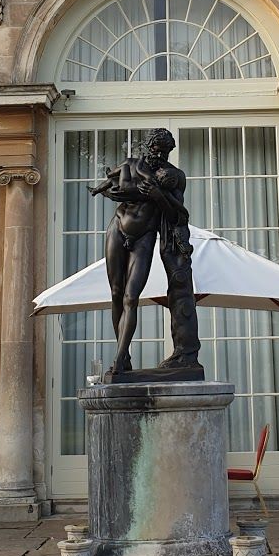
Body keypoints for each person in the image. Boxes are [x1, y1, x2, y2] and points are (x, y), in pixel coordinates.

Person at [89, 128, 201, 379]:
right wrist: (106, 191)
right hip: (118, 227)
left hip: (145, 236)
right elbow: (112, 184)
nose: (160, 154)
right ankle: (124, 355)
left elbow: (178, 215)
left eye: (165, 151)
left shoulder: (173, 176)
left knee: (131, 296)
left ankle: (119, 359)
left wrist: (158, 196)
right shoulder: (133, 165)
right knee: (116, 293)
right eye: (156, 149)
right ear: (149, 147)